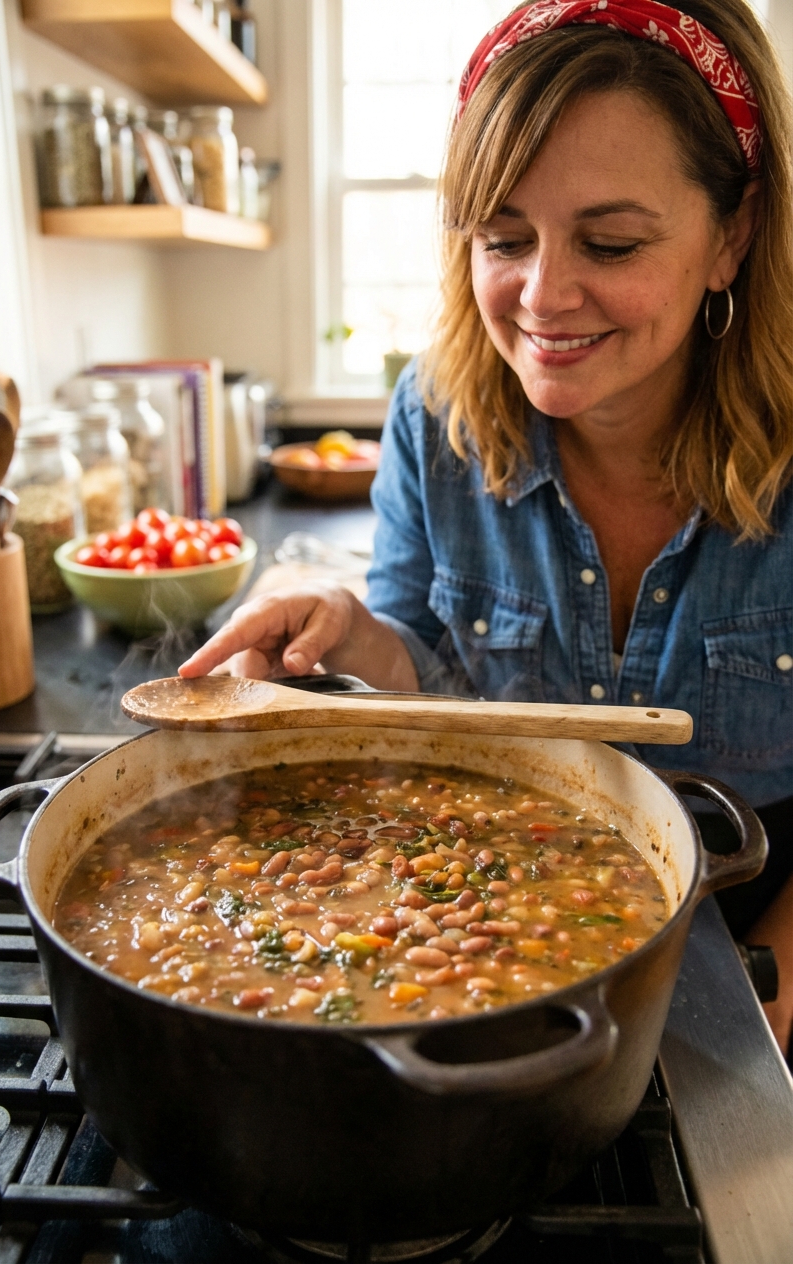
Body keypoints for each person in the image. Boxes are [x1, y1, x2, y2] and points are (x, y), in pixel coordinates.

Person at [181, 0, 792, 1049]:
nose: (543, 295)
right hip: (495, 929)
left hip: (748, 939)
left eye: (608, 240)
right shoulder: (435, 415)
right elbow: (410, 687)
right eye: (502, 237)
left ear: (729, 236)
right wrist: (350, 629)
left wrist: (767, 994)